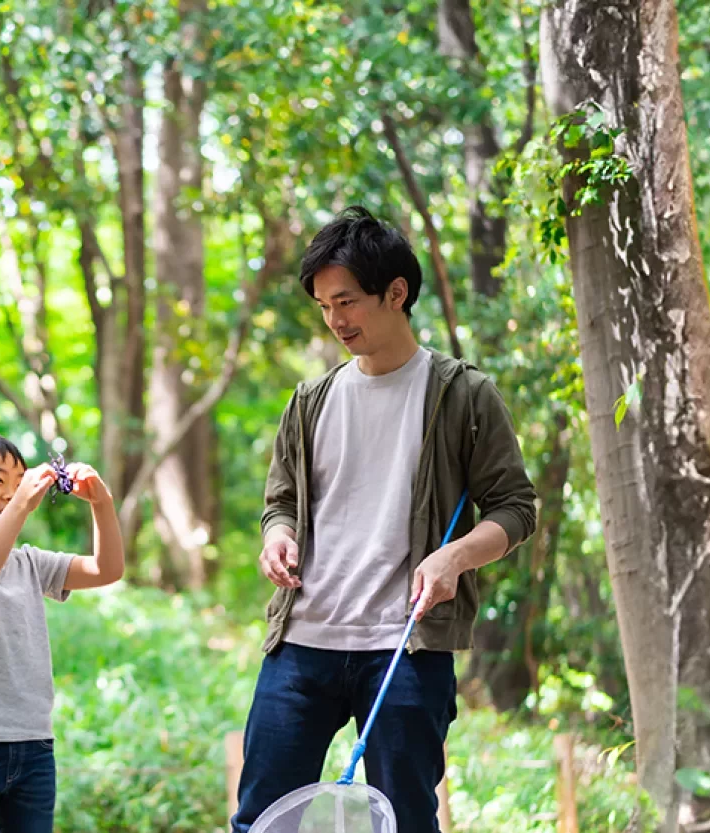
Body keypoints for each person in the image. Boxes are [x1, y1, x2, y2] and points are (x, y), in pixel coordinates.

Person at [231, 206, 538, 833]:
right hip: (302, 644)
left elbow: (515, 507)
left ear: (396, 293)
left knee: (405, 823)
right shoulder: (311, 400)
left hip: (405, 648)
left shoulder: (463, 395)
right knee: (259, 820)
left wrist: (455, 557)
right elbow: (281, 501)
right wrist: (277, 536)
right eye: (323, 306)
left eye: (347, 301)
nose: (335, 320)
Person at [0, 432, 124, 833]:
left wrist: (101, 503)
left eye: (18, 483)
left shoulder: (30, 562)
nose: (11, 492)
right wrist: (20, 505)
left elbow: (108, 569)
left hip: (33, 744)